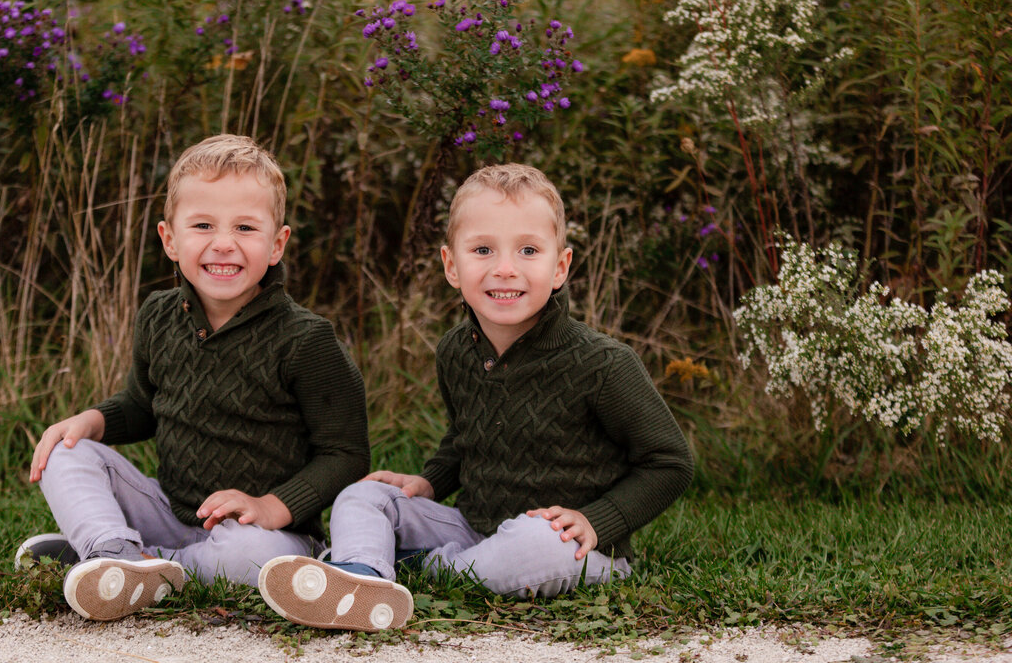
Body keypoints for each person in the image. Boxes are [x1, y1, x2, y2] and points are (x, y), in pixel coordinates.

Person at [257, 163, 693, 632]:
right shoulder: (455, 351)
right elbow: (466, 438)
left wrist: (598, 521)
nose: (505, 268)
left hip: (573, 546)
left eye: (528, 250)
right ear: (451, 265)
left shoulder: (603, 365)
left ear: (560, 267)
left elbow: (670, 462)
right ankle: (360, 575)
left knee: (532, 540)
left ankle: (416, 569)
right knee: (364, 495)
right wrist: (429, 483)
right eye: (482, 250)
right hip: (474, 526)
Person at [16, 134, 370, 621]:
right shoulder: (159, 315)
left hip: (264, 532)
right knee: (65, 450)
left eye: (245, 227)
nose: (223, 243)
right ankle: (112, 548)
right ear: (169, 239)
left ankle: (138, 567)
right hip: (172, 509)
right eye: (203, 225)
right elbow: (142, 406)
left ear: (276, 244)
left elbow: (347, 453)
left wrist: (272, 506)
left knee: (253, 558)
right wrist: (93, 421)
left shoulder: (306, 340)